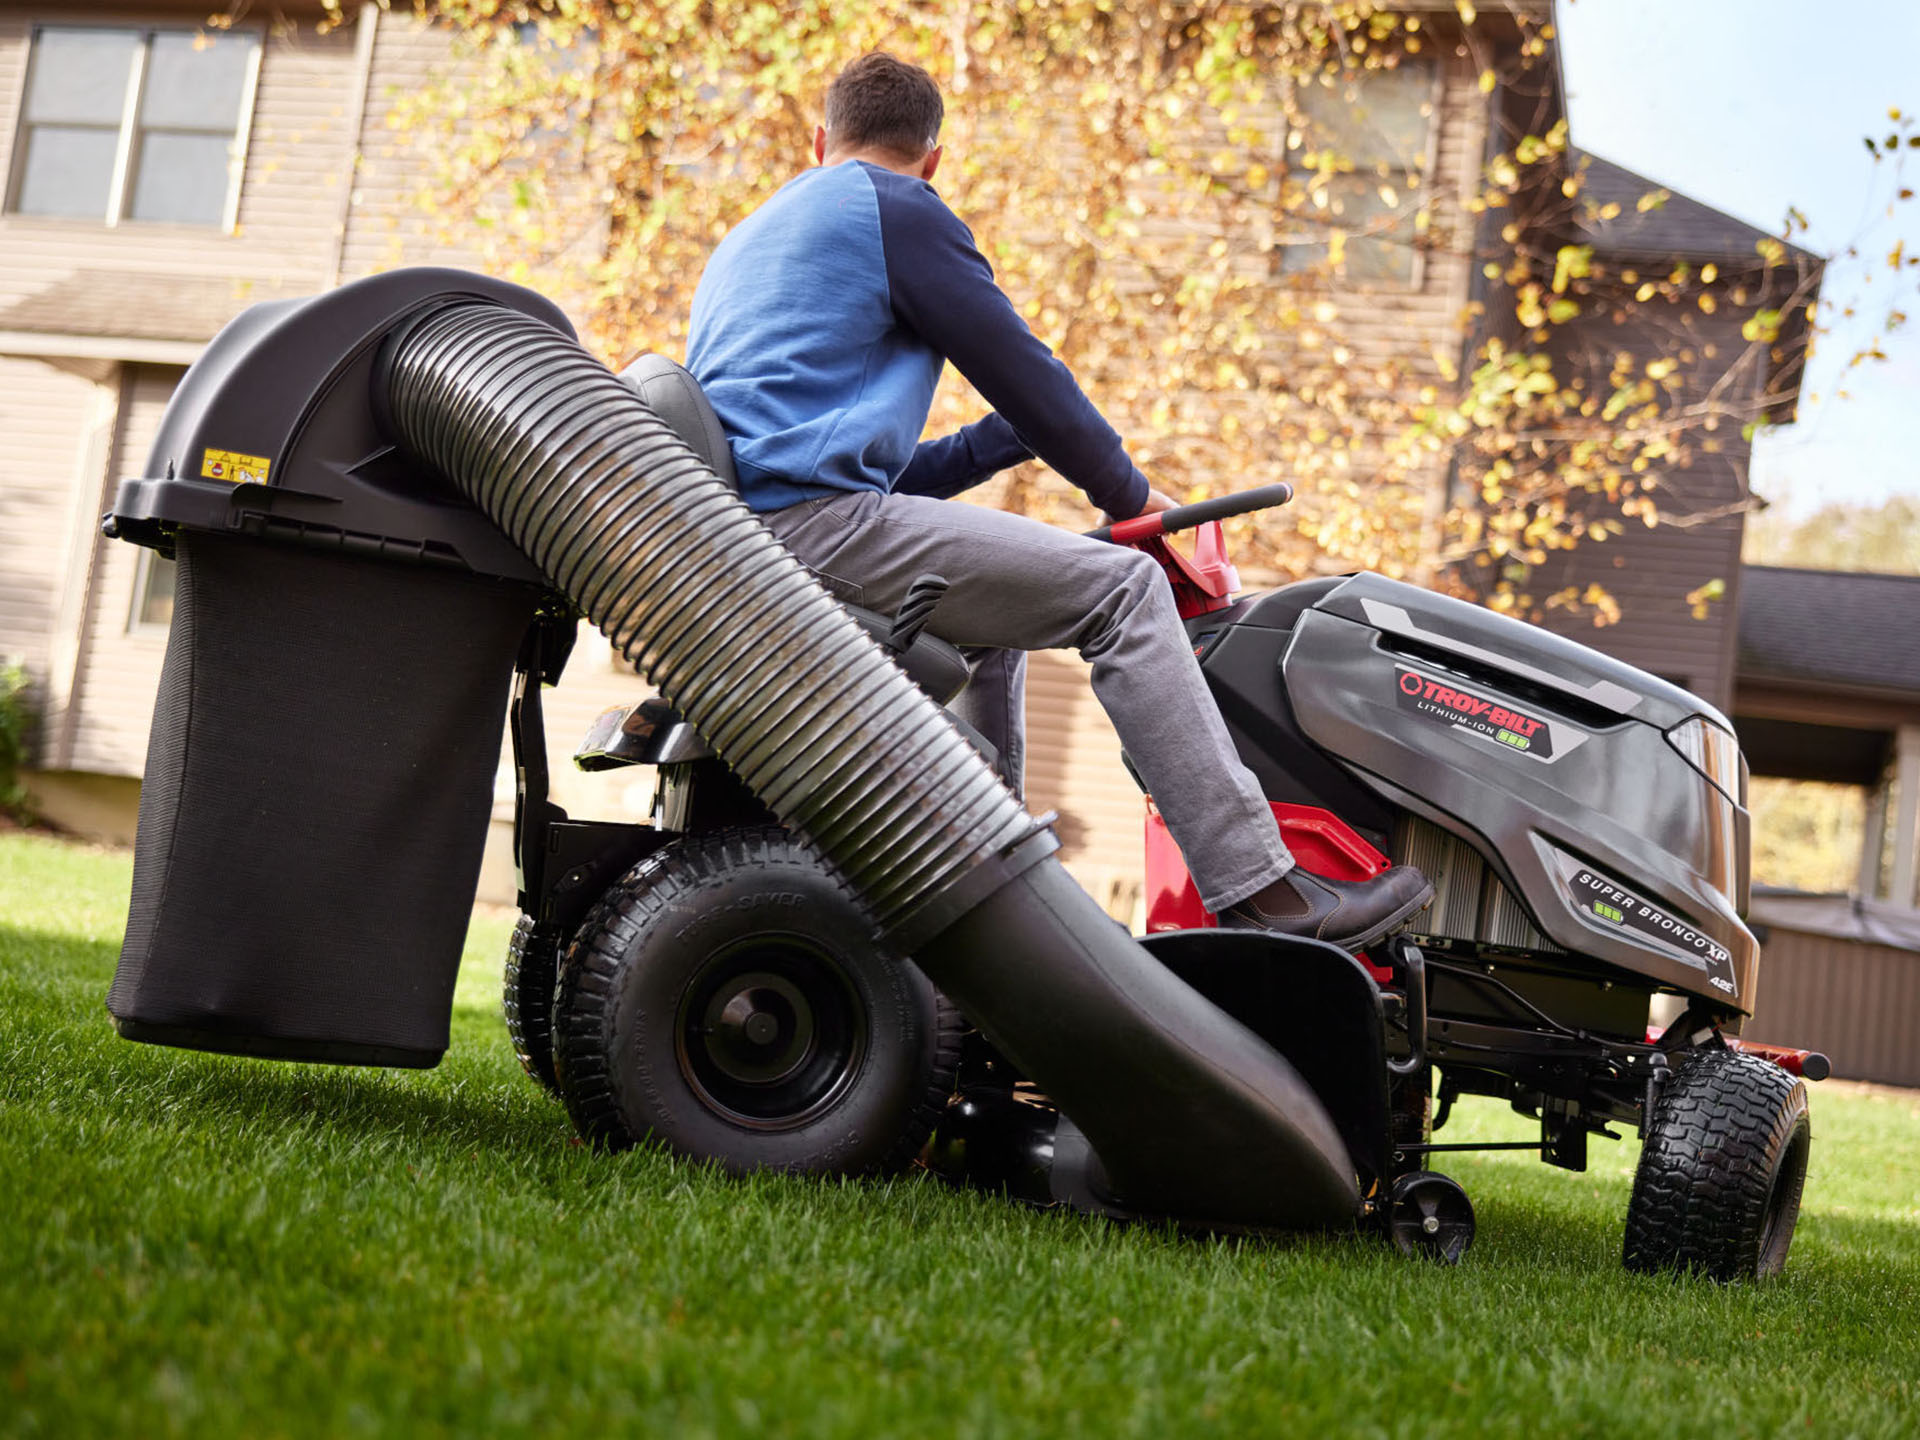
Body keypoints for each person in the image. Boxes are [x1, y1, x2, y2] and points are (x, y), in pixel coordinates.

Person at [686, 52, 1432, 951]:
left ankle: (997, 870)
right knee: (1125, 590)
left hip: (759, 532)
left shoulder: (758, 232)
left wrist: (999, 440)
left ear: (820, 140)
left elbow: (859, 467)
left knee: (999, 626)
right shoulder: (900, 211)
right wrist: (1133, 499)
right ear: (932, 158)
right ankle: (1270, 894)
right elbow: (1027, 374)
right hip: (812, 530)